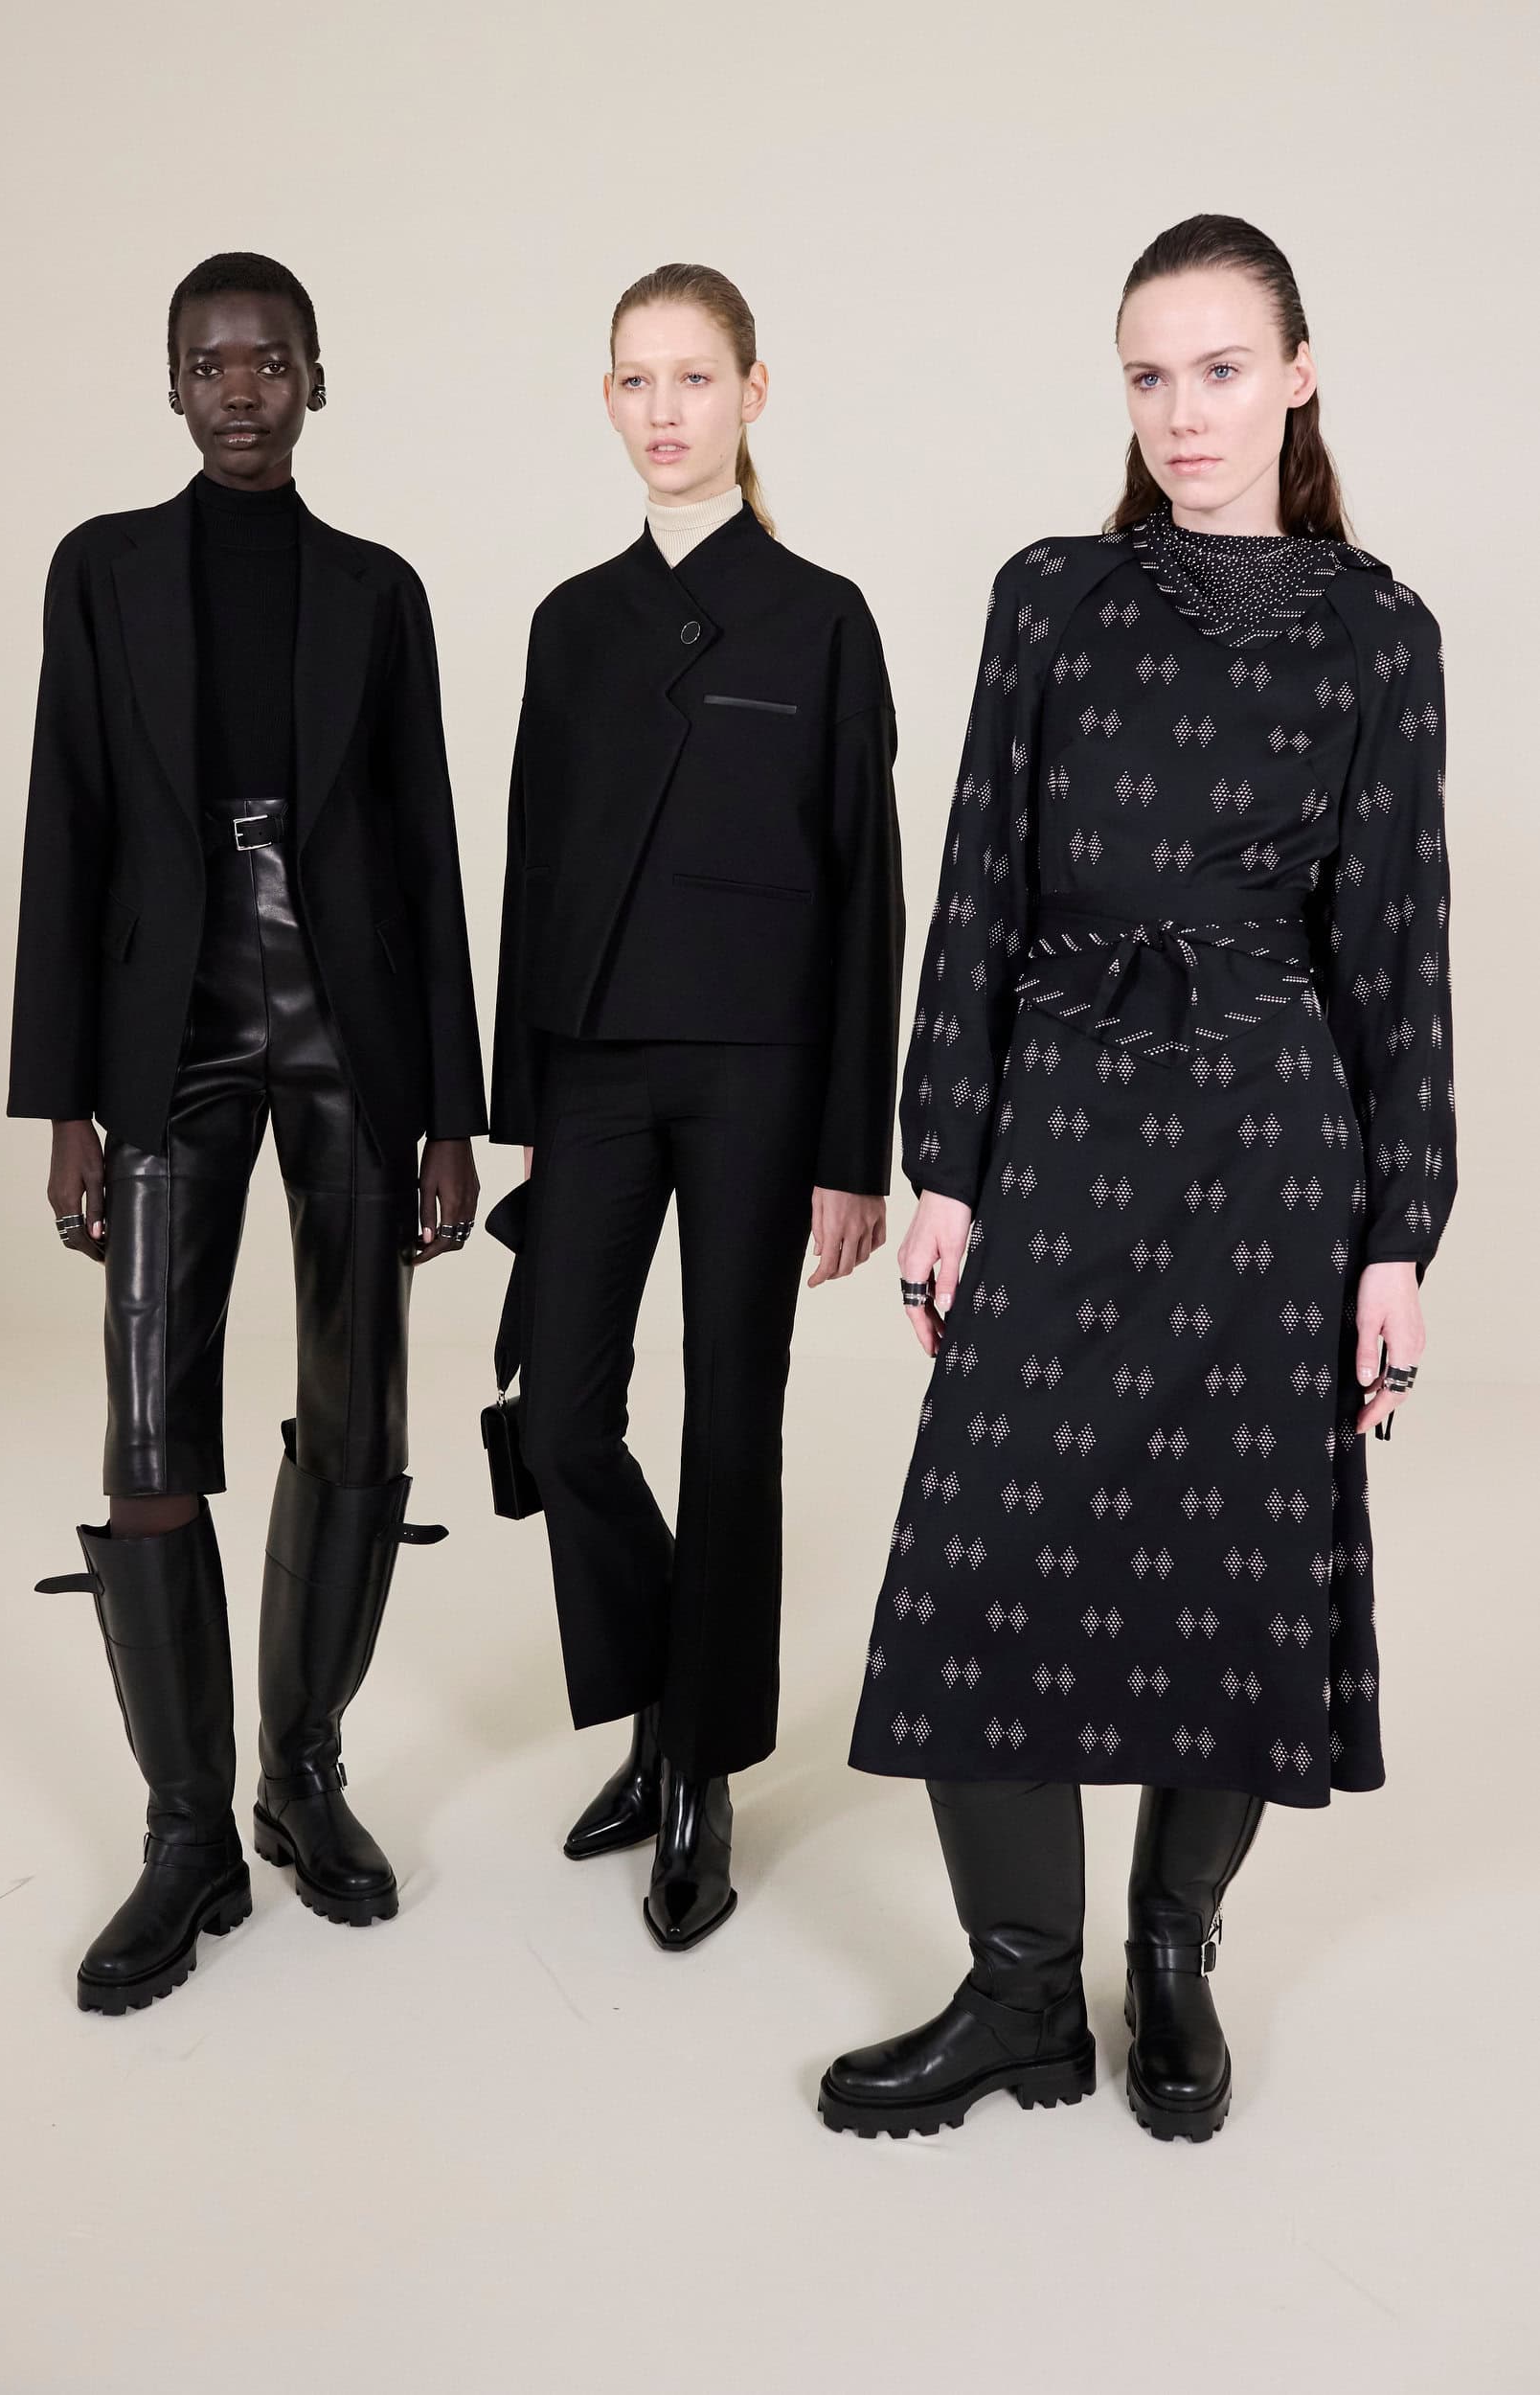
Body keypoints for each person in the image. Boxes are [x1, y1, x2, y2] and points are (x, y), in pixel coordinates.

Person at [820, 214, 1455, 2139]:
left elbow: (1395, 947)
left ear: (1296, 376)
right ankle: (1020, 1988)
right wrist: (942, 1165)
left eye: (1219, 368)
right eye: (1148, 375)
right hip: (1062, 1125)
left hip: (1269, 1151)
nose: (1183, 412)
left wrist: (1397, 1237)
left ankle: (1168, 1955)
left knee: (1236, 1569)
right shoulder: (1050, 596)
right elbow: (975, 882)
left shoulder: (1380, 633)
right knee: (976, 1558)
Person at [11, 252, 487, 2013]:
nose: (240, 390)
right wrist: (64, 1097)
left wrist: (450, 1114)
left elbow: (427, 847)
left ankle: (304, 1774)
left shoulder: (380, 590)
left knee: (362, 1402)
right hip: (168, 1017)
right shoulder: (100, 570)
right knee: (148, 1424)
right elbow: (66, 819)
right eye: (210, 364)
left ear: (315, 381)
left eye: (270, 362)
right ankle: (185, 1833)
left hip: (351, 1017)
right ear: (171, 384)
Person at [491, 262, 904, 1950]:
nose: (663, 410)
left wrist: (853, 1152)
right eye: (634, 380)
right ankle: (670, 1700)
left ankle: (701, 1774)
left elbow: (867, 897)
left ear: (751, 393)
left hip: (758, 1077)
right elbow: (530, 869)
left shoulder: (820, 616)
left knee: (734, 1423)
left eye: (692, 377)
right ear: (608, 400)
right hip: (592, 1066)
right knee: (560, 1420)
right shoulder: (570, 621)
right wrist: (516, 1108)